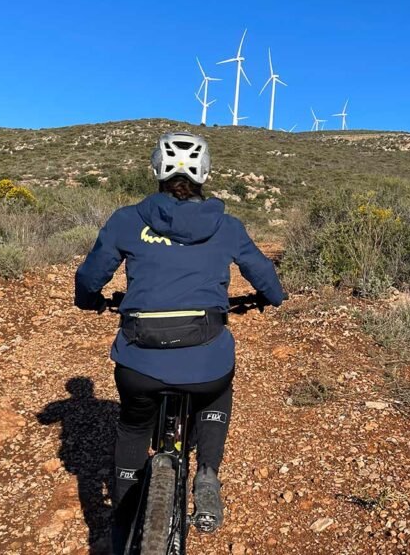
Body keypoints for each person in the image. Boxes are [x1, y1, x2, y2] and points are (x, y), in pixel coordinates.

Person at [74, 132, 284, 549]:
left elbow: (89, 278)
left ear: (156, 168)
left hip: (140, 360)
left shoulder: (127, 220)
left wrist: (90, 300)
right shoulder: (226, 225)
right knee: (216, 390)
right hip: (204, 358)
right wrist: (268, 298)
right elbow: (266, 279)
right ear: (205, 172)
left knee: (134, 427)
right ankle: (206, 473)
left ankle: (121, 519)